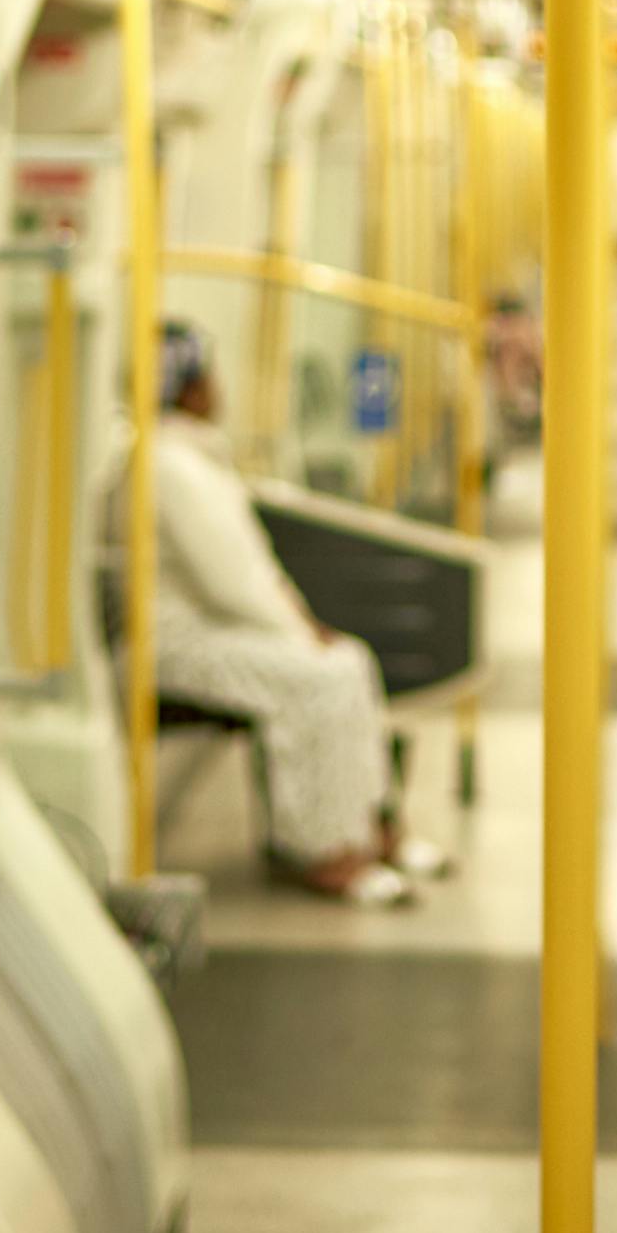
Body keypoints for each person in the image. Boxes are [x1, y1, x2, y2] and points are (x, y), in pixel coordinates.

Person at [124, 326, 434, 907]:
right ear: (190, 389)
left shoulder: (190, 460)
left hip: (214, 630)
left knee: (350, 660)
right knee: (319, 679)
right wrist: (298, 632)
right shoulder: (174, 469)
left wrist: (304, 627)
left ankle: (372, 829)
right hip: (178, 646)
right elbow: (233, 582)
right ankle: (322, 850)